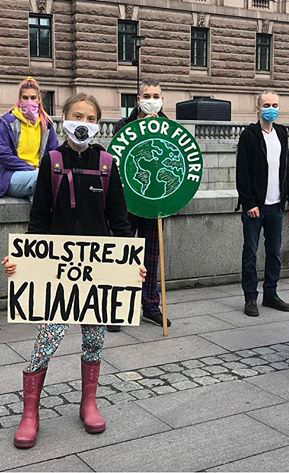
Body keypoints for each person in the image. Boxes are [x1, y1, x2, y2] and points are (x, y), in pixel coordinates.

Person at [2, 93, 146, 449]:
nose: (83, 122)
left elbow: (120, 222)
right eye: (76, 114)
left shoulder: (107, 164)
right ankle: (30, 413)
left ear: (98, 123)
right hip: (56, 273)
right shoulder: (51, 162)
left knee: (94, 340)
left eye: (90, 117)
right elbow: (37, 221)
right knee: (45, 343)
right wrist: (23, 263)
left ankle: (89, 402)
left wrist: (132, 263)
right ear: (63, 118)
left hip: (97, 273)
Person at [110, 79, 170, 331]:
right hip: (127, 202)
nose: (152, 99)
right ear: (138, 99)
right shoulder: (123, 126)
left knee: (152, 256)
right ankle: (118, 307)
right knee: (124, 255)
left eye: (156, 95)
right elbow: (117, 162)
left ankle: (150, 304)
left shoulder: (169, 128)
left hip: (155, 202)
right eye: (147, 94)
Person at [236, 90, 289, 317]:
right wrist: (249, 202)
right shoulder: (249, 135)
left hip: (276, 205)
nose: (271, 108)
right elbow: (242, 172)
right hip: (255, 207)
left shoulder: (281, 133)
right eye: (267, 105)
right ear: (258, 108)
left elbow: (286, 168)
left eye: (275, 104)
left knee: (274, 252)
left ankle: (270, 294)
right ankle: (250, 297)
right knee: (250, 252)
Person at [0, 77, 58, 198]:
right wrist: (30, 169)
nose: (29, 101)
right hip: (11, 175)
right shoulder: (7, 121)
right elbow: (3, 155)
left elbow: (54, 153)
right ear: (19, 100)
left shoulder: (46, 124)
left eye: (33, 98)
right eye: (25, 98)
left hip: (38, 175)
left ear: (39, 100)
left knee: (46, 186)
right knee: (41, 180)